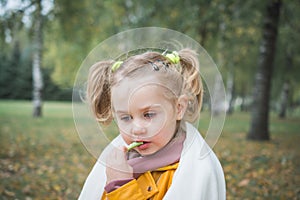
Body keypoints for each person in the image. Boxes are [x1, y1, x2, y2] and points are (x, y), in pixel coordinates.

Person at [78, 49, 226, 199]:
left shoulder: (193, 173)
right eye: (126, 117)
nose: (137, 129)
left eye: (148, 115)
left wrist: (121, 187)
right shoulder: (118, 163)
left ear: (179, 108)